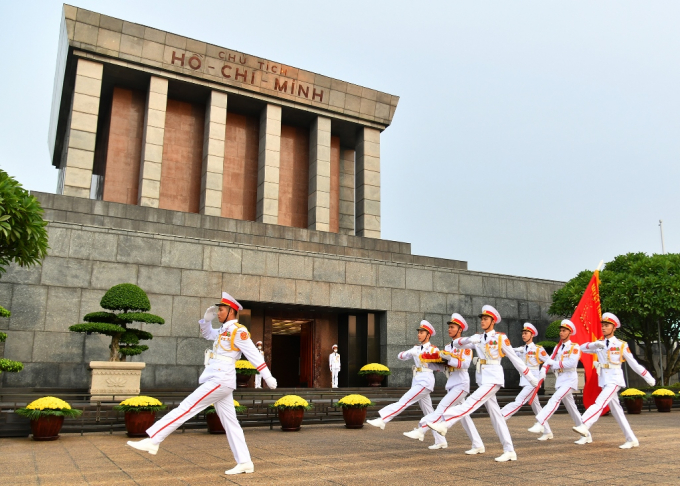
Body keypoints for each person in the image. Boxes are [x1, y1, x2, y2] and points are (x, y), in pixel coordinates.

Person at [127, 292, 277, 475]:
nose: (218, 313)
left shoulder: (239, 331)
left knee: (187, 407)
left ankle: (154, 439)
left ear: (231, 311)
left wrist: (267, 376)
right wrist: (206, 321)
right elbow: (207, 334)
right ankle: (245, 462)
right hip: (218, 379)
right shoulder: (223, 330)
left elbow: (253, 355)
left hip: (220, 379)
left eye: (221, 310)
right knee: (231, 423)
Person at [427, 305, 538, 462]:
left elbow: (515, 359)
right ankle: (510, 450)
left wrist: (531, 378)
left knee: (471, 402)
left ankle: (446, 422)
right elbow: (458, 343)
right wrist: (470, 339)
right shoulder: (478, 338)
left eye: (486, 319)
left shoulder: (500, 338)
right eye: (482, 319)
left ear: (493, 321)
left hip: (493, 378)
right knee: (497, 417)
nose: (482, 321)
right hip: (482, 379)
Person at [403, 313, 485, 454]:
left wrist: (449, 359)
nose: (449, 330)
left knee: (442, 407)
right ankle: (478, 445)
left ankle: (421, 430)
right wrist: (432, 363)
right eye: (449, 327)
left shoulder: (465, 345)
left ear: (460, 330)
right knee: (464, 417)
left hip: (461, 383)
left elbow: (464, 364)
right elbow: (444, 367)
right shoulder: (448, 347)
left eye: (452, 327)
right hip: (452, 383)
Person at [573, 312, 656, 448]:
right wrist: (595, 345)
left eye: (607, 325)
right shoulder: (599, 343)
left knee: (599, 402)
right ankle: (631, 439)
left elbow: (633, 363)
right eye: (603, 325)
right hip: (604, 380)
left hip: (615, 380)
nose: (604, 328)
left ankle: (585, 423)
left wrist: (648, 377)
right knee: (618, 413)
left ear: (614, 328)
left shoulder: (621, 345)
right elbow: (581, 348)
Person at [367, 320, 441, 443]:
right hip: (417, 379)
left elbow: (438, 364)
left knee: (404, 401)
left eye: (422, 332)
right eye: (418, 332)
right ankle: (440, 440)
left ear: (428, 335)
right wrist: (409, 352)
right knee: (429, 411)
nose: (419, 334)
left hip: (425, 380)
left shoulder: (433, 349)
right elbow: (400, 357)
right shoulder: (416, 348)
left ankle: (383, 419)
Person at [527, 319, 590, 445]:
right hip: (560, 380)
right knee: (572, 409)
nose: (561, 333)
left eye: (564, 331)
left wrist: (554, 364)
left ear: (570, 332)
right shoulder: (557, 348)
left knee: (554, 399)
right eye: (560, 330)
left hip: (569, 380)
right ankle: (586, 434)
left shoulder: (574, 347)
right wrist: (544, 370)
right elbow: (548, 361)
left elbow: (572, 363)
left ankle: (541, 422)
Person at [500, 323, 553, 441]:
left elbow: (549, 361)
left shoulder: (538, 349)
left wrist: (543, 372)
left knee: (520, 400)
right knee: (537, 407)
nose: (523, 335)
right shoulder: (522, 349)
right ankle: (547, 431)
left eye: (526, 333)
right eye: (523, 333)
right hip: (525, 380)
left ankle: (502, 415)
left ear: (532, 335)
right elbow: (510, 353)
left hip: (534, 381)